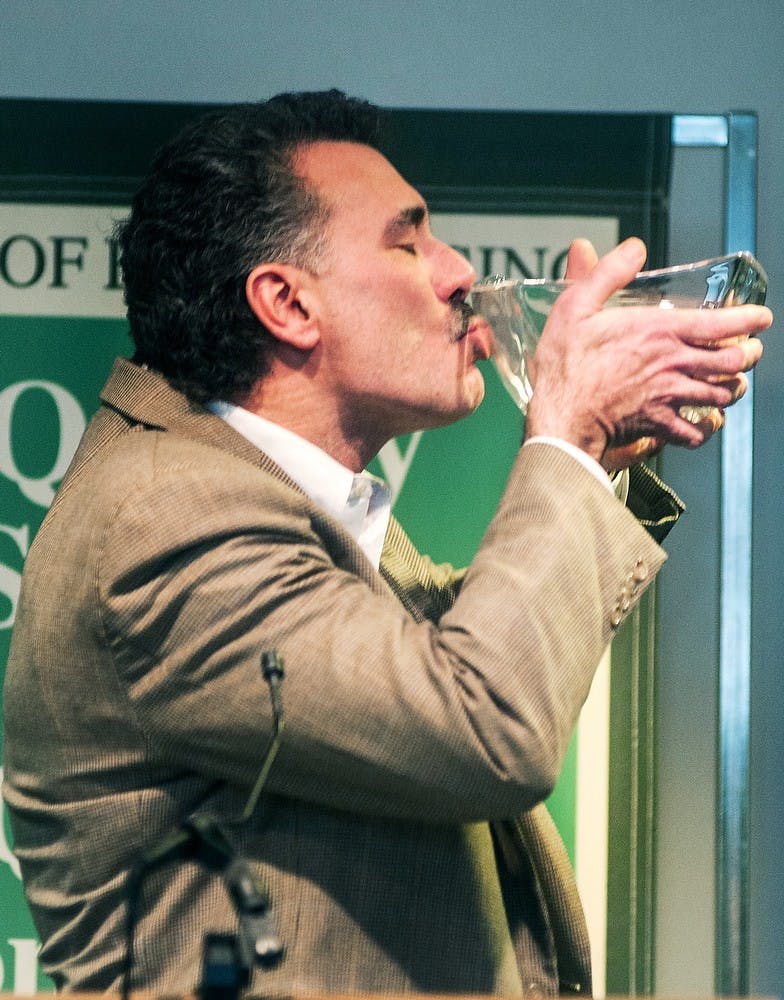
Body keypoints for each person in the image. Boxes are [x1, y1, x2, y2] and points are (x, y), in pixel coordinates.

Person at [1, 90, 770, 997]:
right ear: (286, 303)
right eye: (408, 242)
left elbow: (441, 656)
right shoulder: (165, 517)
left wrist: (596, 455)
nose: (456, 272)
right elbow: (483, 721)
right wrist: (562, 431)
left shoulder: (261, 496)